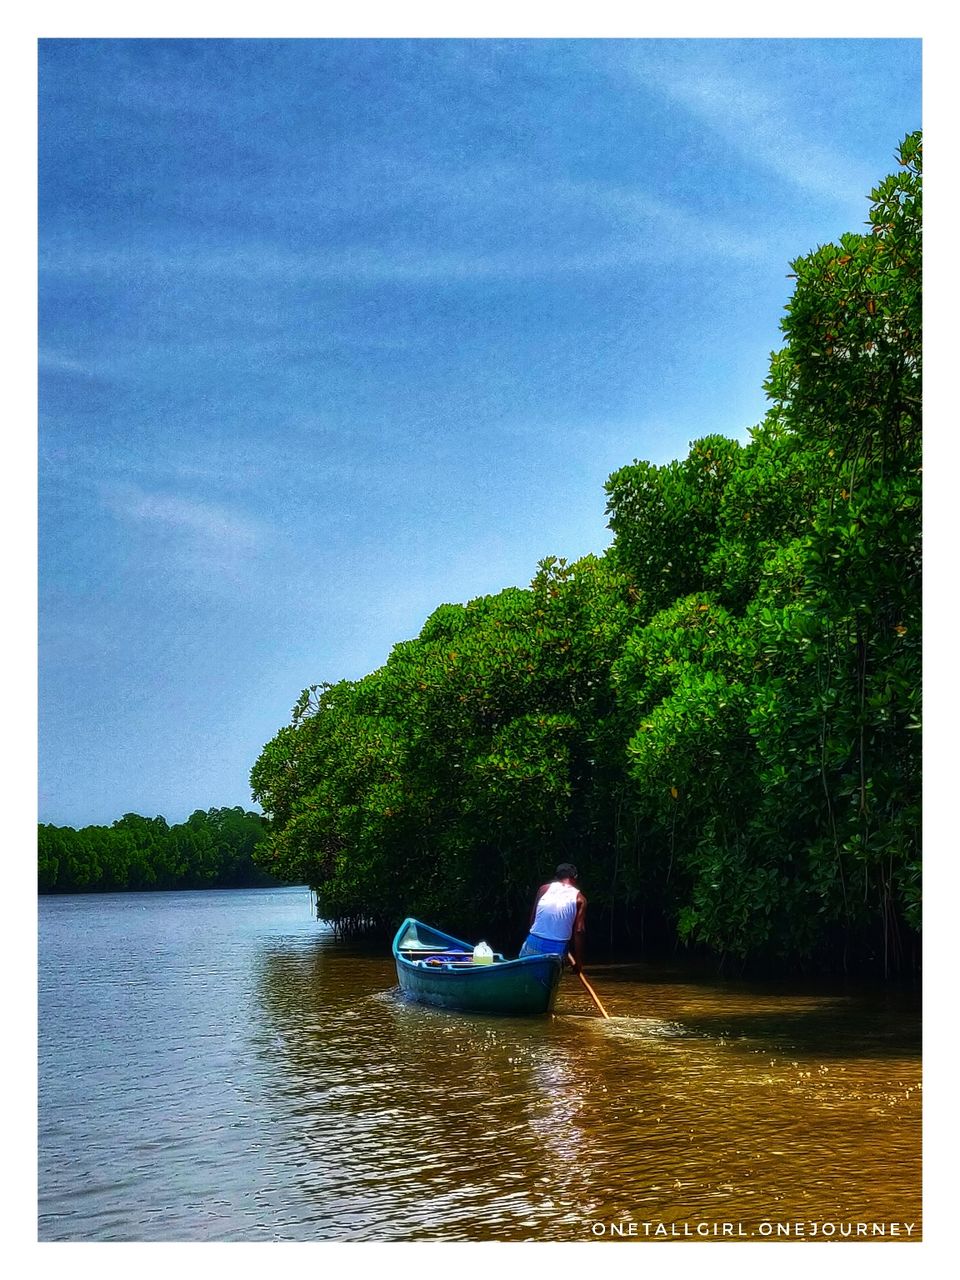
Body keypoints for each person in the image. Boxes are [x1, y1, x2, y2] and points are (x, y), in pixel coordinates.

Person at [519, 863, 586, 971]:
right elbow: (579, 931)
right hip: (558, 949)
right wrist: (578, 962)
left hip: (534, 942)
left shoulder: (543, 889)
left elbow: (533, 919)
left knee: (524, 975)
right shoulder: (580, 899)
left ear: (556, 878)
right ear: (575, 878)